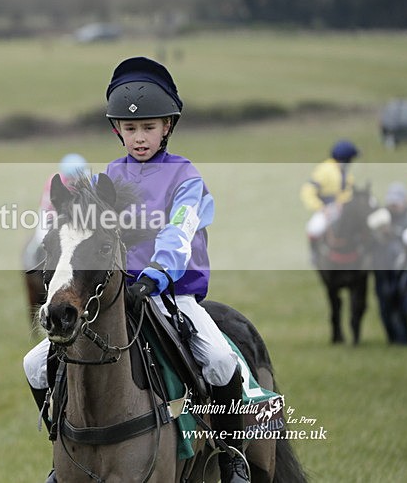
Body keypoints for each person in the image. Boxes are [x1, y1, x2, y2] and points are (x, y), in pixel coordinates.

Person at [23, 56, 250, 483]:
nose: (139, 137)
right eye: (130, 129)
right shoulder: (106, 178)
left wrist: (156, 275)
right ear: (118, 131)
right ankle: (63, 447)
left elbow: (179, 232)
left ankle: (231, 454)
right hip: (113, 296)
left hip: (172, 294)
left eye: (148, 127)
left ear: (167, 127)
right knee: (35, 365)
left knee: (221, 360)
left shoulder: (186, 177)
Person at [369, 183, 407, 344]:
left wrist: (393, 233)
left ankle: (403, 339)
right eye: (391, 203)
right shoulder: (380, 221)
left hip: (400, 272)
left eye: (397, 202)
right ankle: (391, 339)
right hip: (382, 271)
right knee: (384, 306)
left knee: (400, 305)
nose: (394, 206)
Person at [299, 140, 360, 257]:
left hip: (345, 208)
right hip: (327, 209)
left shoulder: (346, 173)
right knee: (314, 229)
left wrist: (343, 203)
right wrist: (321, 208)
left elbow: (348, 192)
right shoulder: (324, 170)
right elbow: (308, 191)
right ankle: (315, 254)